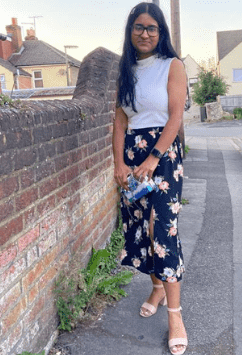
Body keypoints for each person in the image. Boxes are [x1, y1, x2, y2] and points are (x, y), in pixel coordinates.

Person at [112, 2, 187, 355]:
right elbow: (119, 121)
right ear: (130, 32)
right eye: (139, 27)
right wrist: (119, 164)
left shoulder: (173, 66)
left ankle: (175, 316)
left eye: (152, 28)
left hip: (163, 155)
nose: (145, 33)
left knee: (163, 229)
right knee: (141, 227)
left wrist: (154, 158)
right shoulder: (124, 70)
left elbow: (175, 117)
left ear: (161, 33)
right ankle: (156, 288)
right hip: (131, 158)